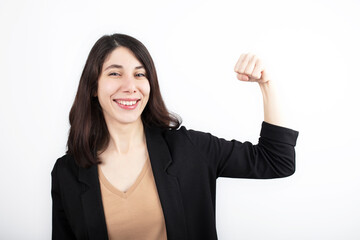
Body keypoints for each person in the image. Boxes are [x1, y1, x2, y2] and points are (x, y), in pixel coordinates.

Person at [51, 33, 299, 240]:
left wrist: (267, 84)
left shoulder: (189, 149)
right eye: (115, 73)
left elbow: (276, 161)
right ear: (94, 87)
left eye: (140, 74)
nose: (130, 85)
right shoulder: (67, 172)